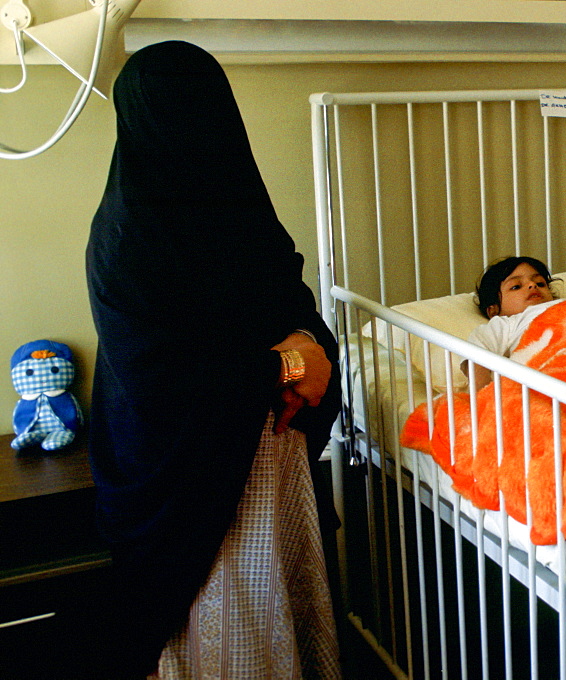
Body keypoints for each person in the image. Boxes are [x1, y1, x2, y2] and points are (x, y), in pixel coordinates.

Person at [86, 41, 342, 678]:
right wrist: (282, 369)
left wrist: (312, 357)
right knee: (221, 623)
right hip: (188, 471)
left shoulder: (240, 208)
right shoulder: (126, 237)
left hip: (265, 451)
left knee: (282, 606)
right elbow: (158, 378)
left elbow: (295, 300)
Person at [464, 256, 560, 388]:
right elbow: (475, 353)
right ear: (493, 310)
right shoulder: (507, 324)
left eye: (541, 283)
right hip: (553, 377)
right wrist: (482, 395)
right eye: (516, 287)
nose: (533, 285)